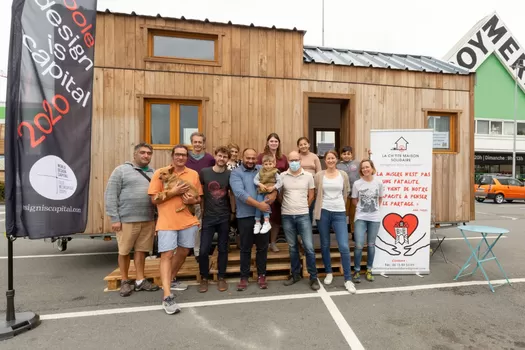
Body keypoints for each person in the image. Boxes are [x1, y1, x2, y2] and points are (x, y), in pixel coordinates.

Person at [148, 145, 203, 314]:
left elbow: (199, 198)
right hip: (166, 221)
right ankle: (167, 295)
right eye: (178, 154)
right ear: (172, 156)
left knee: (184, 250)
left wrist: (192, 201)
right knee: (166, 254)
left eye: (184, 155)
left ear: (187, 157)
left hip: (187, 220)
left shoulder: (193, 174)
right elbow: (154, 200)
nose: (180, 157)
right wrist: (173, 192)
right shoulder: (160, 173)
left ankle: (170, 279)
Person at [104, 143, 159, 297]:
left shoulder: (154, 173)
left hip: (148, 219)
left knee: (141, 251)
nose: (146, 156)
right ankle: (125, 281)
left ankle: (140, 280)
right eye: (142, 152)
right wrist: (115, 218)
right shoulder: (121, 171)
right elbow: (110, 195)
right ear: (135, 154)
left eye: (149, 153)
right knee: (124, 251)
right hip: (126, 219)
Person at [230, 148, 277, 291]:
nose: (250, 161)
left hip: (263, 216)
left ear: (257, 158)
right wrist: (259, 205)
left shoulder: (263, 168)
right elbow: (240, 193)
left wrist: (274, 194)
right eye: (247, 158)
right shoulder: (236, 173)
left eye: (253, 158)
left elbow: (274, 183)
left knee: (262, 247)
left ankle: (262, 275)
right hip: (245, 216)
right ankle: (244, 277)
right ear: (243, 157)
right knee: (245, 248)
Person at [313, 150, 356, 294]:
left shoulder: (343, 175)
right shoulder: (319, 175)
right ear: (325, 160)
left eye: (333, 158)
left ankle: (348, 279)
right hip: (323, 211)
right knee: (325, 244)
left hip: (339, 212)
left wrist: (340, 206)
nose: (330, 160)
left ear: (336, 160)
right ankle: (329, 271)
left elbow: (346, 192)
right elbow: (316, 193)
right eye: (328, 158)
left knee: (343, 245)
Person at [280, 151, 319, 290]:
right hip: (287, 215)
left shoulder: (308, 176)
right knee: (292, 247)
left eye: (296, 159)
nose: (294, 162)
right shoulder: (283, 176)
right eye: (291, 160)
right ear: (288, 161)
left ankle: (313, 277)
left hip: (303, 215)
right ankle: (295, 274)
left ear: (300, 161)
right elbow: (280, 194)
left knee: (309, 247)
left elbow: (312, 195)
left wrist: (303, 207)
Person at [198, 146, 234, 293]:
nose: (222, 159)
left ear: (228, 159)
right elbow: (200, 194)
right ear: (215, 156)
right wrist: (201, 211)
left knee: (223, 248)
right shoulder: (205, 172)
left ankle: (221, 277)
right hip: (208, 217)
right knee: (203, 249)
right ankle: (204, 277)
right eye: (220, 156)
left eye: (225, 157)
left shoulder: (230, 174)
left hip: (224, 216)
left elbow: (231, 194)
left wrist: (233, 211)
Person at [351, 159, 384, 283]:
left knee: (371, 244)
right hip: (360, 218)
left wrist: (374, 209)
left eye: (367, 167)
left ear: (372, 168)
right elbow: (354, 199)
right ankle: (357, 270)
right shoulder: (357, 184)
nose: (365, 169)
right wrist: (361, 208)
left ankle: (369, 269)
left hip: (374, 218)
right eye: (363, 168)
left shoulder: (378, 183)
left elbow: (380, 198)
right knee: (359, 244)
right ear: (361, 170)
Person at [257, 133, 288, 252]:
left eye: (276, 141)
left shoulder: (283, 158)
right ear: (267, 142)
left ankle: (273, 242)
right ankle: (263, 243)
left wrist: (277, 190)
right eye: (271, 141)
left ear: (279, 143)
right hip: (264, 191)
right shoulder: (261, 157)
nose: (274, 143)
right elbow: (258, 173)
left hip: (278, 192)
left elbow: (285, 174)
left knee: (275, 218)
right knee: (265, 217)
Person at [185, 132, 215, 259]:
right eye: (195, 142)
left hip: (202, 196)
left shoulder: (209, 159)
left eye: (200, 142)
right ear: (192, 143)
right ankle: (185, 249)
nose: (197, 144)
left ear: (204, 144)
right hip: (185, 196)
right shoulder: (185, 157)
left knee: (198, 224)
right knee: (184, 224)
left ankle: (196, 250)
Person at [336, 146, 371, 237]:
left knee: (354, 214)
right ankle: (342, 233)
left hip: (355, 194)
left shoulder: (357, 163)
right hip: (343, 194)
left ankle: (354, 232)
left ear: (352, 154)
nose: (346, 156)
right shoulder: (338, 166)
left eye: (348, 154)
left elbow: (368, 166)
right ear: (341, 155)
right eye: (344, 154)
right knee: (343, 214)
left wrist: (369, 156)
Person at [253, 154, 283, 234]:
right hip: (261, 191)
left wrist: (273, 188)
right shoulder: (260, 172)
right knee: (258, 205)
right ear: (262, 165)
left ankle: (266, 222)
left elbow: (280, 182)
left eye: (270, 164)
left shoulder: (275, 172)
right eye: (266, 164)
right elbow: (255, 180)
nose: (268, 166)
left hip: (269, 192)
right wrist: (260, 184)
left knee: (265, 205)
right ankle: (257, 222)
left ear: (274, 164)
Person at [297, 137, 322, 222]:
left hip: (312, 187)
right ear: (298, 146)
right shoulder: (297, 157)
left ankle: (307, 232)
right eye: (301, 145)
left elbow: (319, 173)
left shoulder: (314, 156)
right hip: (299, 186)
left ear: (309, 145)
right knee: (299, 210)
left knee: (309, 209)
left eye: (305, 144)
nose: (303, 146)